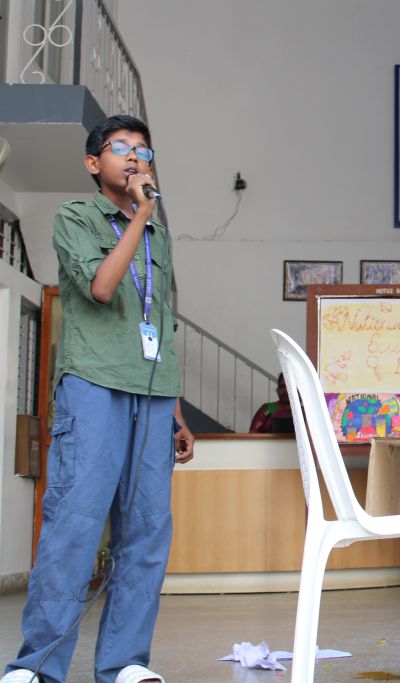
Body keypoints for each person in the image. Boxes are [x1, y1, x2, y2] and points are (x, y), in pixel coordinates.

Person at [3, 115, 194, 683]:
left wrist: (176, 412)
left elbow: (161, 321)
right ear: (93, 163)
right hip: (93, 384)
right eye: (120, 148)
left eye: (143, 150)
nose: (135, 157)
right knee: (75, 525)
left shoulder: (158, 237)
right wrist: (140, 216)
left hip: (153, 395)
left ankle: (126, 662)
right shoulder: (76, 217)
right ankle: (37, 666)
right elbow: (103, 288)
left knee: (146, 534)